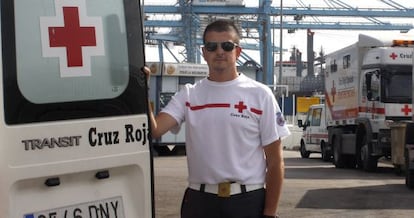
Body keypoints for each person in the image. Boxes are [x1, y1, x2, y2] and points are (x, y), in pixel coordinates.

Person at [144, 19, 290, 218]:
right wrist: (142, 91)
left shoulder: (260, 95)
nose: (219, 51)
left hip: (247, 202)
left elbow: (275, 162)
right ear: (204, 53)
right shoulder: (189, 95)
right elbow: (155, 130)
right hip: (200, 202)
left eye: (227, 46)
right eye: (212, 46)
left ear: (237, 52)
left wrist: (270, 213)